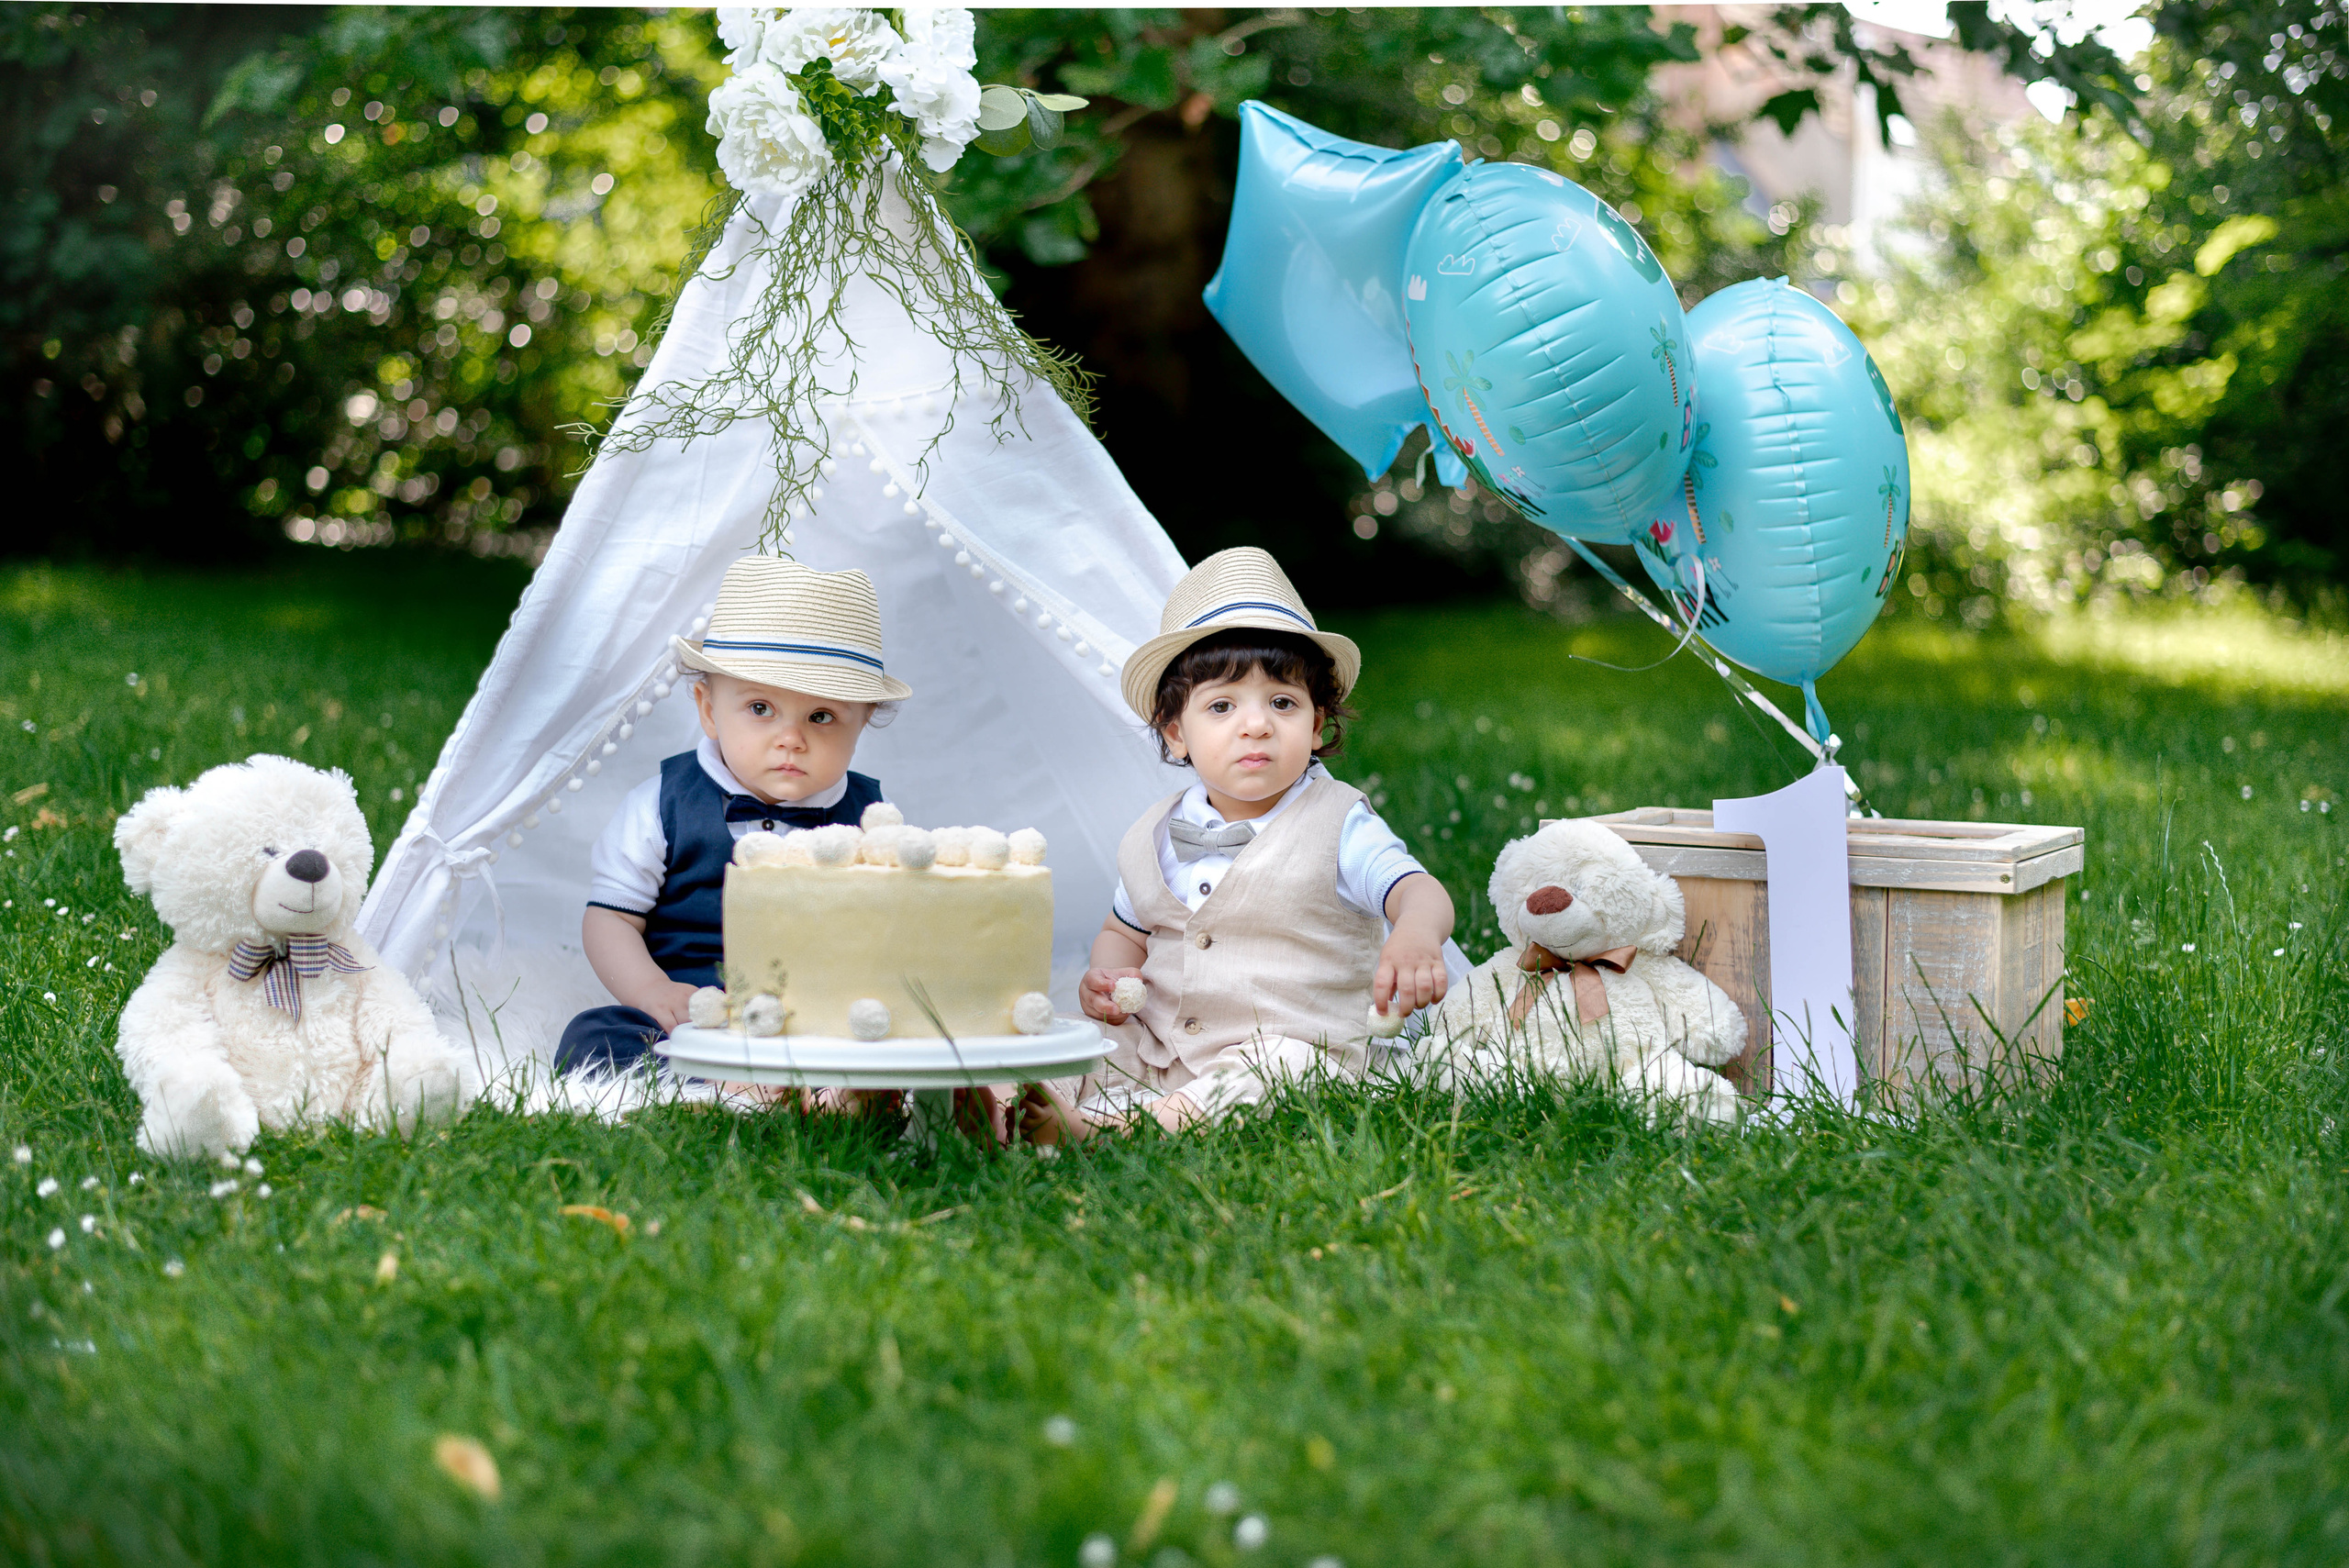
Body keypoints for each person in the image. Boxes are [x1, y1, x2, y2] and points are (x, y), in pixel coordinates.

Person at [1023, 546, 1464, 1138]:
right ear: (1177, 733)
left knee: (1277, 1073)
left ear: (1315, 724)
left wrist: (1413, 932)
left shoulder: (1337, 822)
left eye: (1282, 703)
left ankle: (1124, 1132)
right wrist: (1106, 982)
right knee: (1072, 1035)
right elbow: (1123, 931)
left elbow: (1417, 890)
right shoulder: (1154, 833)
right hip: (1163, 1043)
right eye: (1223, 705)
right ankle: (1010, 1104)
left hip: (1294, 1045)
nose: (1255, 724)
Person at [553, 555, 908, 1078]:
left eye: (822, 716)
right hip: (693, 1015)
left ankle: (811, 1087)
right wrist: (651, 989)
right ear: (707, 709)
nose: (791, 737)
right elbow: (612, 917)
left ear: (863, 722)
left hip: (816, 1019)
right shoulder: (661, 804)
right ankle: (714, 1082)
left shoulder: (871, 821)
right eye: (761, 708)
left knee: (902, 1038)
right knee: (592, 1037)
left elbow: (895, 927)